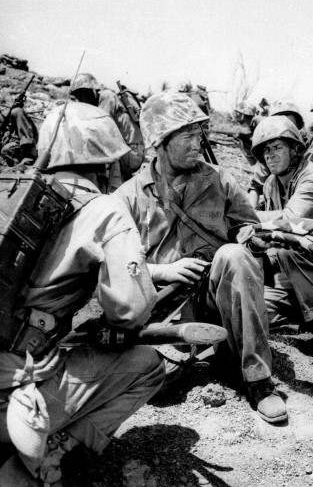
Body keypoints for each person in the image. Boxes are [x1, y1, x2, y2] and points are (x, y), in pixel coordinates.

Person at [0, 102, 163, 485]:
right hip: (14, 397)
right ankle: (45, 458)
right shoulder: (107, 209)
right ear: (107, 161)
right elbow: (130, 308)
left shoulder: (10, 192)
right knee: (148, 365)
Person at [115, 91, 287, 424]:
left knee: (235, 256)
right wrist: (164, 270)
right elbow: (115, 266)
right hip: (166, 305)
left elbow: (247, 226)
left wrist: (251, 239)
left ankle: (258, 380)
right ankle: (213, 352)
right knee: (159, 385)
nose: (197, 143)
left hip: (216, 291)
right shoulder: (129, 197)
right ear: (160, 142)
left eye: (199, 134)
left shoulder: (220, 180)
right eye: (187, 136)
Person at [249, 115, 313, 333]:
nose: (270, 155)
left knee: (287, 254)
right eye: (265, 151)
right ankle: (306, 318)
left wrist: (242, 214)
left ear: (295, 149)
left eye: (276, 147)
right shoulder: (271, 183)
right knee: (255, 310)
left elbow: (289, 221)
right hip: (292, 269)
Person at [70, 72, 145, 187]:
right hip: (128, 151)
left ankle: (112, 190)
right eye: (78, 95)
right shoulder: (97, 102)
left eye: (84, 93)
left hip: (132, 153)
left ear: (94, 90)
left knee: (100, 148)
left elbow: (99, 128)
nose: (81, 98)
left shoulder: (106, 97)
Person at [0, 99, 38, 167]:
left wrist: (13, 108)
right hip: (7, 147)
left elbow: (7, 123)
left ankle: (29, 154)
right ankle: (18, 160)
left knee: (16, 111)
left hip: (21, 139)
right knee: (8, 149)